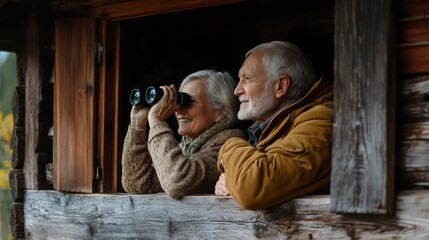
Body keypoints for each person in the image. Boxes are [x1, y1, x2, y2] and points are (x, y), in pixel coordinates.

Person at [215, 41, 333, 210]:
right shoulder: (279, 124)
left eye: (247, 79)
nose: (237, 90)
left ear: (281, 86)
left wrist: (230, 146)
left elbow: (251, 187)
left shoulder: (322, 120)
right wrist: (233, 177)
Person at [121, 69, 246, 199]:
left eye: (188, 101)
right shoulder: (185, 148)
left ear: (220, 112)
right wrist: (137, 125)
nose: (178, 109)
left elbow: (177, 182)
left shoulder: (229, 147)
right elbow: (138, 184)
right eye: (178, 101)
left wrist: (157, 121)